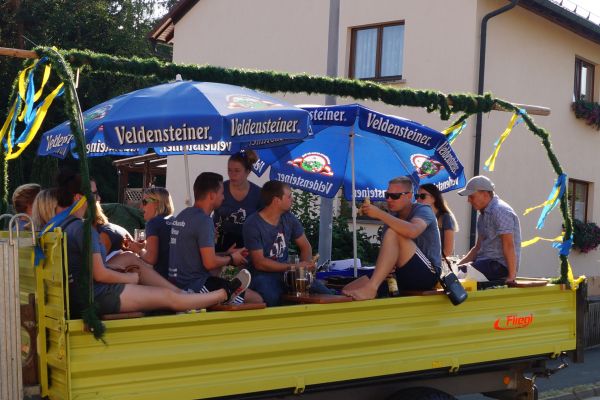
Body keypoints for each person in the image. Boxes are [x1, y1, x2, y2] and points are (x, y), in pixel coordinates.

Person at [53, 169, 247, 317]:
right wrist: (131, 279)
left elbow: (85, 269)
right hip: (96, 295)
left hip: (82, 292)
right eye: (94, 195)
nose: (99, 198)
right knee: (167, 297)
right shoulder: (84, 229)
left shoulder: (63, 225)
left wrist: (125, 265)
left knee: (128, 258)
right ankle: (224, 293)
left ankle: (183, 294)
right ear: (78, 198)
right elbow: (100, 274)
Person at [343, 176, 441, 301]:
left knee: (394, 232)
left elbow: (413, 231)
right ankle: (371, 292)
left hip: (427, 274)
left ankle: (372, 288)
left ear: (409, 195)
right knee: (349, 289)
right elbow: (387, 254)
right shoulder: (392, 218)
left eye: (395, 196)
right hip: (401, 274)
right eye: (387, 195)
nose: (389, 199)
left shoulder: (423, 209)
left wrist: (380, 214)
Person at [169, 172, 255, 303]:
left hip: (178, 284)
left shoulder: (183, 215)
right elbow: (210, 263)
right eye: (221, 193)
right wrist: (232, 259)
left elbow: (194, 255)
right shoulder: (204, 221)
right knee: (256, 299)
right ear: (212, 195)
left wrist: (226, 254)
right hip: (195, 286)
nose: (223, 197)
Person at [242, 180, 319, 306]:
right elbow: (260, 263)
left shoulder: (289, 218)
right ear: (277, 200)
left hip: (286, 274)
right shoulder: (252, 224)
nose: (292, 199)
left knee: (326, 294)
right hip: (262, 276)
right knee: (272, 297)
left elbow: (306, 247)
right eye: (289, 196)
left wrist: (302, 274)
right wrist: (295, 267)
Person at [457, 175, 521, 283]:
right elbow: (477, 248)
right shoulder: (482, 216)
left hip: (499, 267)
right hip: (485, 265)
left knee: (461, 274)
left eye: (471, 196)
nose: (468, 200)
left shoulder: (500, 210)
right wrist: (455, 267)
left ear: (485, 194)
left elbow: (509, 245)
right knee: (455, 273)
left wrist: (511, 276)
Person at [213, 150, 262, 252]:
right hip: (222, 244)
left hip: (249, 245)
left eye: (237, 171)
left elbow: (265, 222)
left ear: (248, 172)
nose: (232, 175)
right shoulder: (220, 188)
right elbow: (206, 213)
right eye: (229, 170)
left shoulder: (258, 194)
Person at [125, 188, 174, 281]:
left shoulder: (153, 223)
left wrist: (138, 250)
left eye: (144, 202)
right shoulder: (174, 220)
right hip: (177, 278)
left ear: (157, 203)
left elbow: (151, 258)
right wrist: (144, 247)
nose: (141, 207)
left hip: (161, 279)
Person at [416, 183, 459, 257]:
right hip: (421, 260)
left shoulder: (445, 217)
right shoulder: (417, 217)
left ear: (433, 198)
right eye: (417, 196)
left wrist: (433, 261)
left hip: (438, 261)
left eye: (422, 196)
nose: (418, 199)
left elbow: (448, 251)